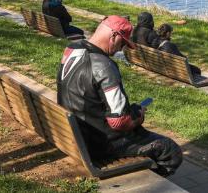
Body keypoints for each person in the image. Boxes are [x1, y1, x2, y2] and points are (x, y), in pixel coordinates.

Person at [57, 15, 182, 176]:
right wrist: (138, 116)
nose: (120, 49)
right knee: (170, 150)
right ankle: (150, 183)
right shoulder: (104, 66)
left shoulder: (72, 50)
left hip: (75, 132)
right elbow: (119, 122)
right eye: (122, 43)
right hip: (99, 143)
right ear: (114, 35)